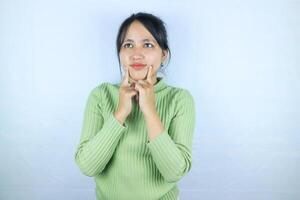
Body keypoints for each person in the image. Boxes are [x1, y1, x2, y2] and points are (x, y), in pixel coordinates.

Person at [74, 12, 196, 200]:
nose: (136, 54)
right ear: (120, 53)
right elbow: (87, 167)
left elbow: (175, 172)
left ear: (163, 54)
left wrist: (150, 112)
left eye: (147, 44)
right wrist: (121, 113)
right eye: (128, 45)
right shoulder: (101, 95)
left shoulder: (180, 100)